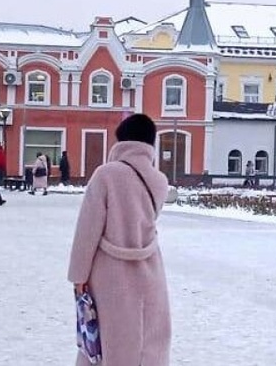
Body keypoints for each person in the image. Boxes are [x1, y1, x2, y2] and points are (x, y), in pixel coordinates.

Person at [69, 114, 171, 365]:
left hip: (109, 272)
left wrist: (78, 276)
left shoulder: (105, 175)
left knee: (106, 341)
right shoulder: (159, 181)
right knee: (148, 339)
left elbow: (87, 228)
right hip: (150, 268)